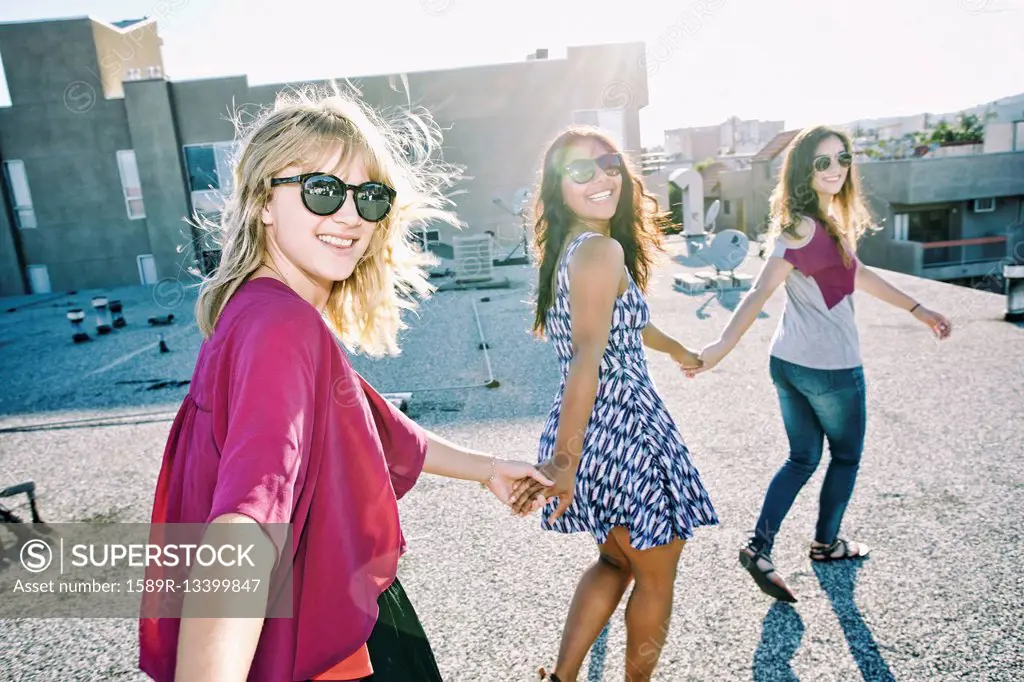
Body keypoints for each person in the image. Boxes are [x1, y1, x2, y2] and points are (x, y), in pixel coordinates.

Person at [137, 84, 553, 682]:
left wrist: (487, 467)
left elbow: (375, 425)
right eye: (323, 190)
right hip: (328, 648)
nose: (351, 214)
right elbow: (247, 521)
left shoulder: (257, 312)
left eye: (370, 196)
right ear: (262, 200)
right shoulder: (281, 327)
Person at [688, 125, 953, 602]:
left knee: (803, 458)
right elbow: (758, 291)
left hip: (788, 361)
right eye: (822, 162)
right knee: (845, 456)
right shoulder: (805, 225)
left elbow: (858, 274)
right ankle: (826, 545)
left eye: (842, 158)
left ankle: (759, 546)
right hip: (829, 368)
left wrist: (917, 309)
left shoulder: (816, 221)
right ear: (804, 171)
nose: (835, 168)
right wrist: (721, 347)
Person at [509, 127, 720, 682]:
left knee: (617, 560)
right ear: (559, 188)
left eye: (608, 165)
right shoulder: (600, 249)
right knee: (656, 571)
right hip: (623, 422)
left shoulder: (577, 249)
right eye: (581, 171)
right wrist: (564, 464)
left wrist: (678, 350)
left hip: (598, 423)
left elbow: (628, 323)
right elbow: (587, 358)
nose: (601, 178)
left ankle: (560, 679)